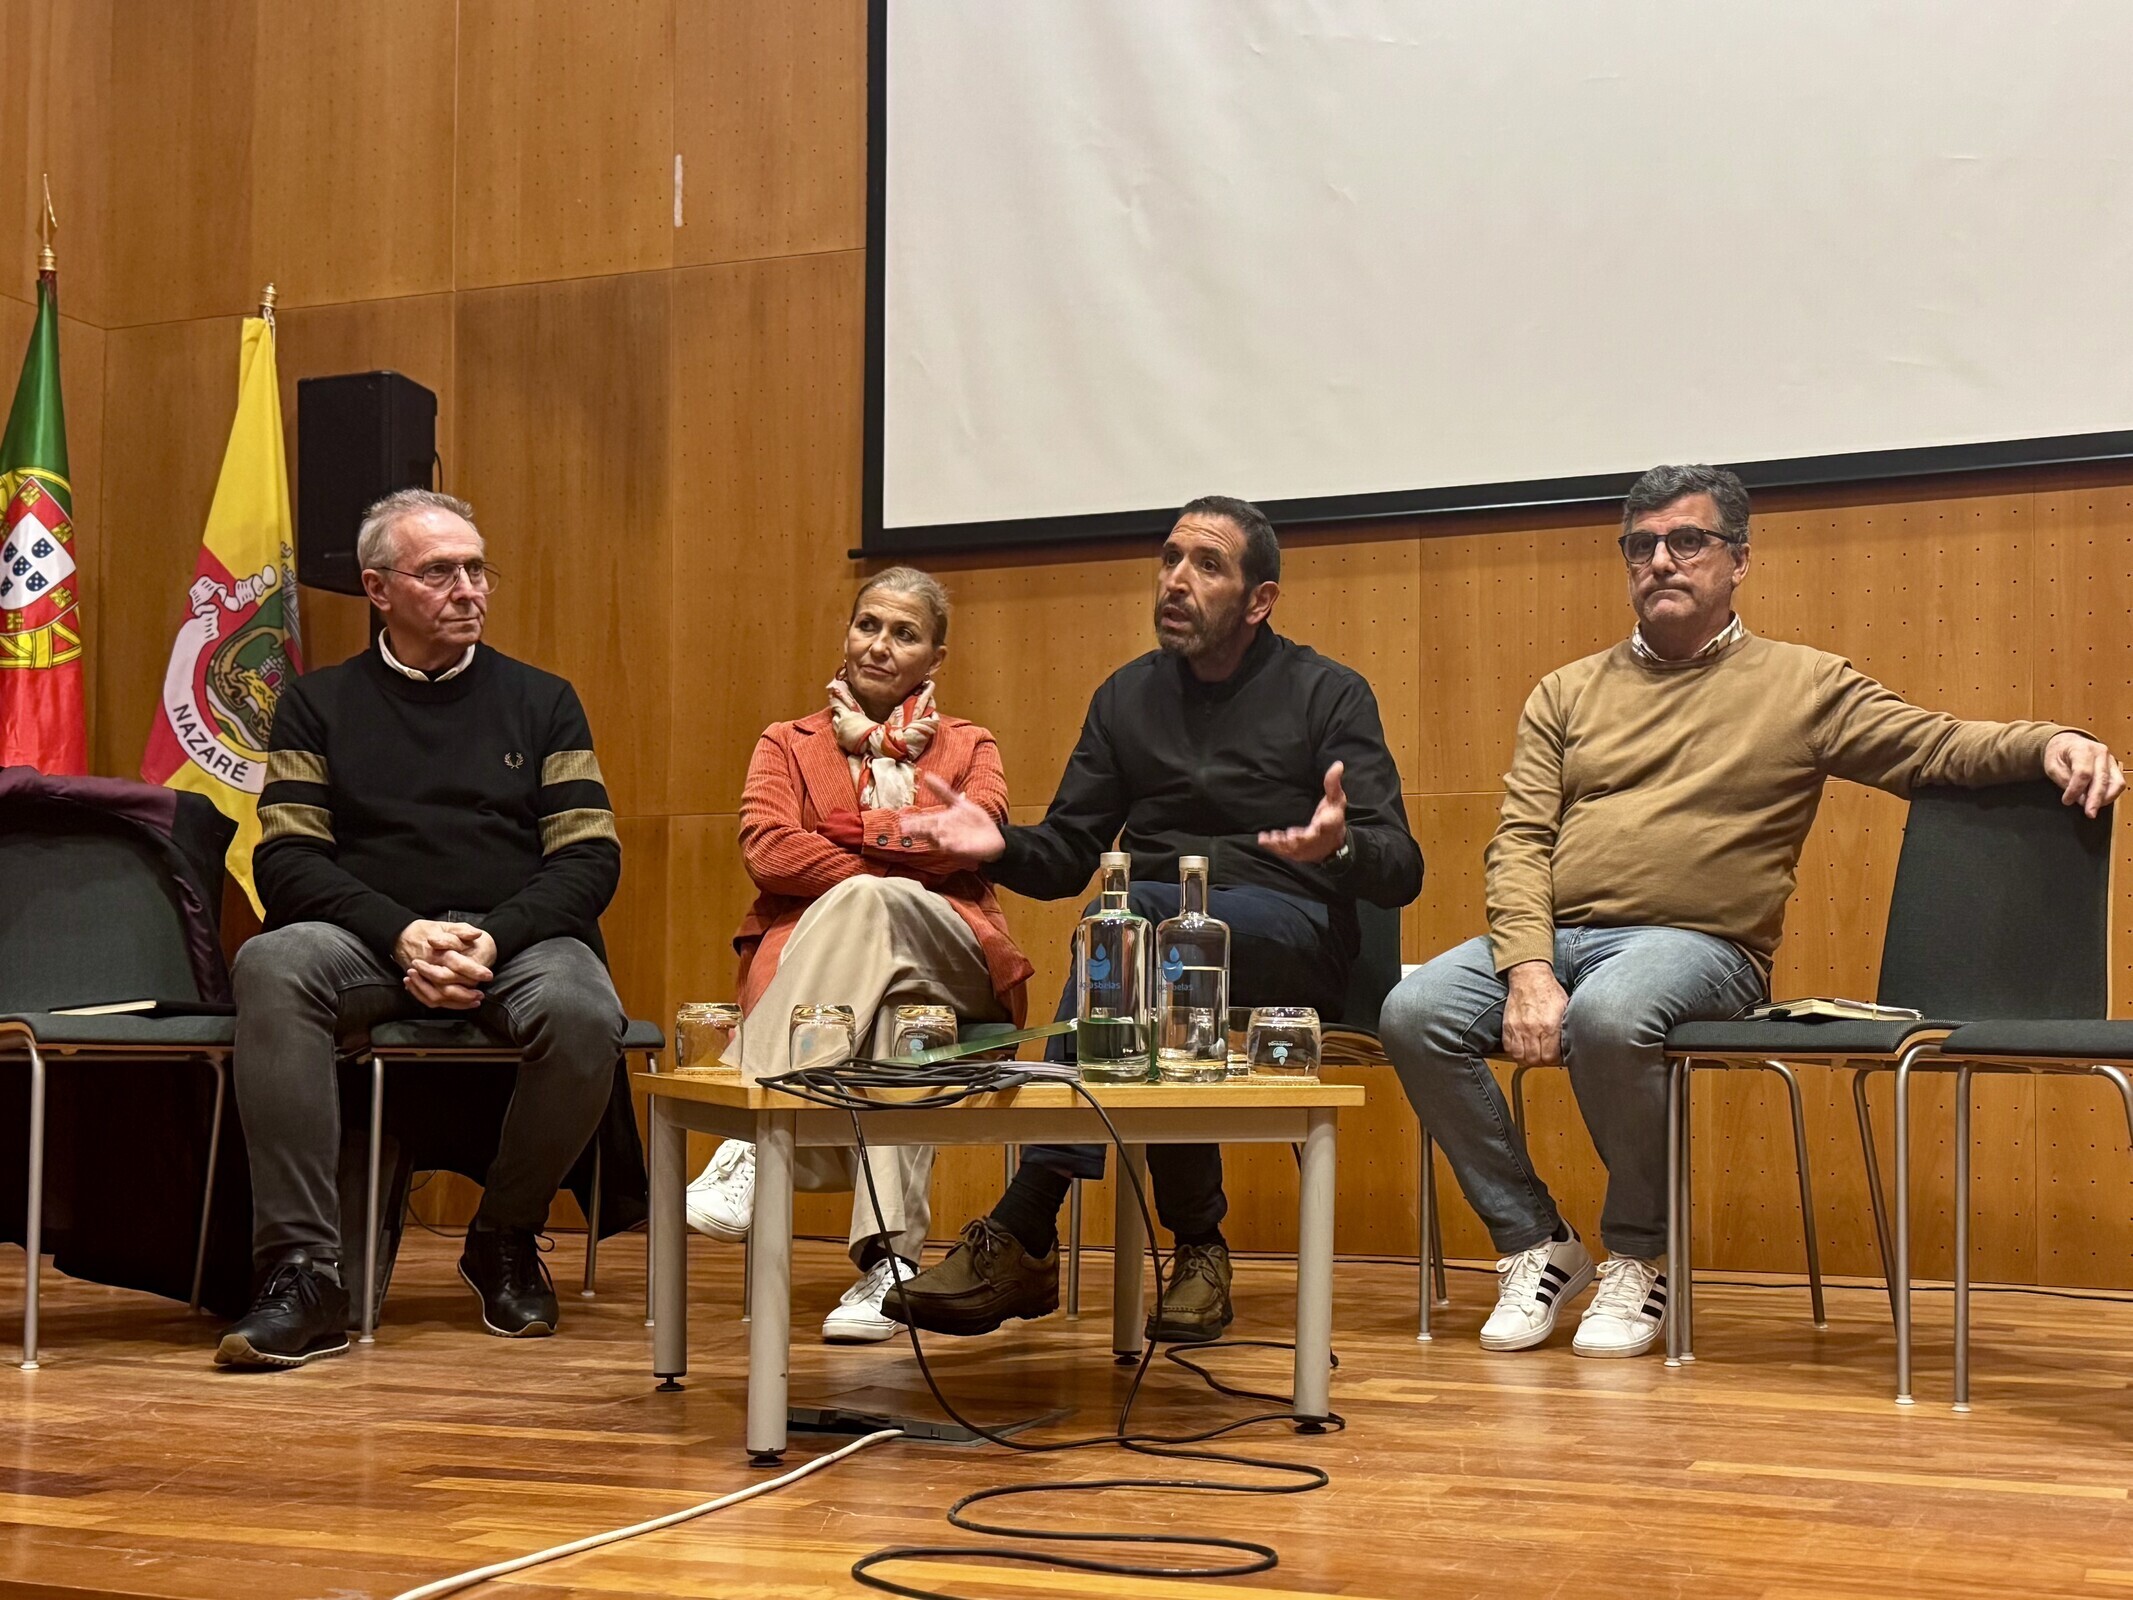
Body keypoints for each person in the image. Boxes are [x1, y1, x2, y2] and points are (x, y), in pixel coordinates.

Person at [1381, 462, 2125, 1360]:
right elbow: (1519, 843)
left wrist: (2051, 739)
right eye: (1641, 545)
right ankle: (1534, 1241)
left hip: (1702, 947)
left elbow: (1933, 746)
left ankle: (1640, 1255)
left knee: (1611, 1016)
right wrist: (1527, 968)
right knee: (1414, 1011)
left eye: (1686, 541)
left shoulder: (1803, 685)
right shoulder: (1566, 691)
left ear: (1737, 560)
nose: (1661, 560)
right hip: (1560, 938)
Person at [888, 494, 1423, 1343]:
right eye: (1170, 558)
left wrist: (1339, 848)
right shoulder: (1127, 697)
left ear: (1259, 600)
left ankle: (1027, 1223)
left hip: (1287, 934)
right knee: (1143, 950)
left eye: (1206, 565)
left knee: (1130, 928)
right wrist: (994, 844)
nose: (1176, 579)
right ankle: (1200, 1247)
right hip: (1154, 946)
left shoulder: (1327, 694)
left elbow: (1403, 868)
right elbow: (1067, 852)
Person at [216, 489, 628, 1369]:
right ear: (378, 588)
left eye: (477, 568)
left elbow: (591, 861)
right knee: (270, 962)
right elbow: (285, 863)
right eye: (440, 571)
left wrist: (494, 940)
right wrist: (403, 934)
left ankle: (506, 1237)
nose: (469, 589)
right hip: (366, 941)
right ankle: (304, 1270)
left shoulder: (544, 701)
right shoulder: (315, 706)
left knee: (587, 1010)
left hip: (513, 942)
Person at [684, 568, 1033, 1342]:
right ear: (847, 633)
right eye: (867, 625)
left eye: (903, 633)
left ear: (934, 657)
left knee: (870, 902)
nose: (879, 644)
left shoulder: (970, 745)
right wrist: (896, 847)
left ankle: (752, 1128)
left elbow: (965, 844)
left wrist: (852, 840)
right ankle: (892, 1264)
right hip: (849, 979)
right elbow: (769, 854)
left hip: (956, 949)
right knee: (905, 1022)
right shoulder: (786, 742)